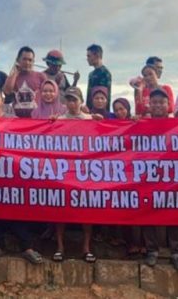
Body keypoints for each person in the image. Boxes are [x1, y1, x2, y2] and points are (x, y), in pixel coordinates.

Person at [0, 84, 43, 265]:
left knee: (15, 206)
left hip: (12, 172)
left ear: (2, 99)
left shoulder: (14, 120)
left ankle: (27, 247)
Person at [140, 89, 178, 273]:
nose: (158, 105)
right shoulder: (141, 124)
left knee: (175, 212)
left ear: (169, 105)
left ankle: (176, 252)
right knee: (147, 211)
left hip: (173, 176)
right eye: (154, 102)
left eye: (162, 102)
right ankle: (151, 250)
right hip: (148, 176)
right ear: (149, 105)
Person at [54, 87, 97, 262]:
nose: (72, 103)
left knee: (86, 209)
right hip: (64, 169)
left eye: (75, 100)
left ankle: (86, 248)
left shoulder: (90, 119)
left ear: (81, 101)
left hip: (85, 170)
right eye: (69, 100)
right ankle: (60, 247)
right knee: (61, 208)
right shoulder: (59, 120)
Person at [3, 46, 46, 115]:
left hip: (36, 117)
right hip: (17, 118)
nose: (27, 62)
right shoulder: (13, 76)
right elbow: (7, 91)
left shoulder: (41, 76)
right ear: (18, 60)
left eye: (30, 60)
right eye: (24, 59)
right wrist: (15, 72)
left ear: (33, 62)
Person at [86, 44, 112, 110]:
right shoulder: (91, 74)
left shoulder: (105, 73)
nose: (87, 59)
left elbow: (105, 96)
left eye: (89, 56)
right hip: (90, 111)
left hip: (100, 111)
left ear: (97, 55)